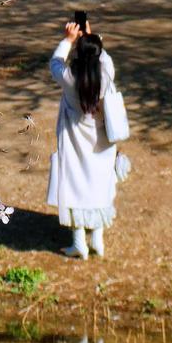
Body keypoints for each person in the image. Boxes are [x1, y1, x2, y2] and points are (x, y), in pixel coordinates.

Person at [46, 19, 117, 259]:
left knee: (75, 188)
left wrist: (68, 40)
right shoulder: (106, 73)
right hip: (103, 142)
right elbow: (103, 57)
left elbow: (54, 63)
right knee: (100, 187)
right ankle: (97, 238)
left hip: (74, 141)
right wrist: (91, 37)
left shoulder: (69, 78)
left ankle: (79, 244)